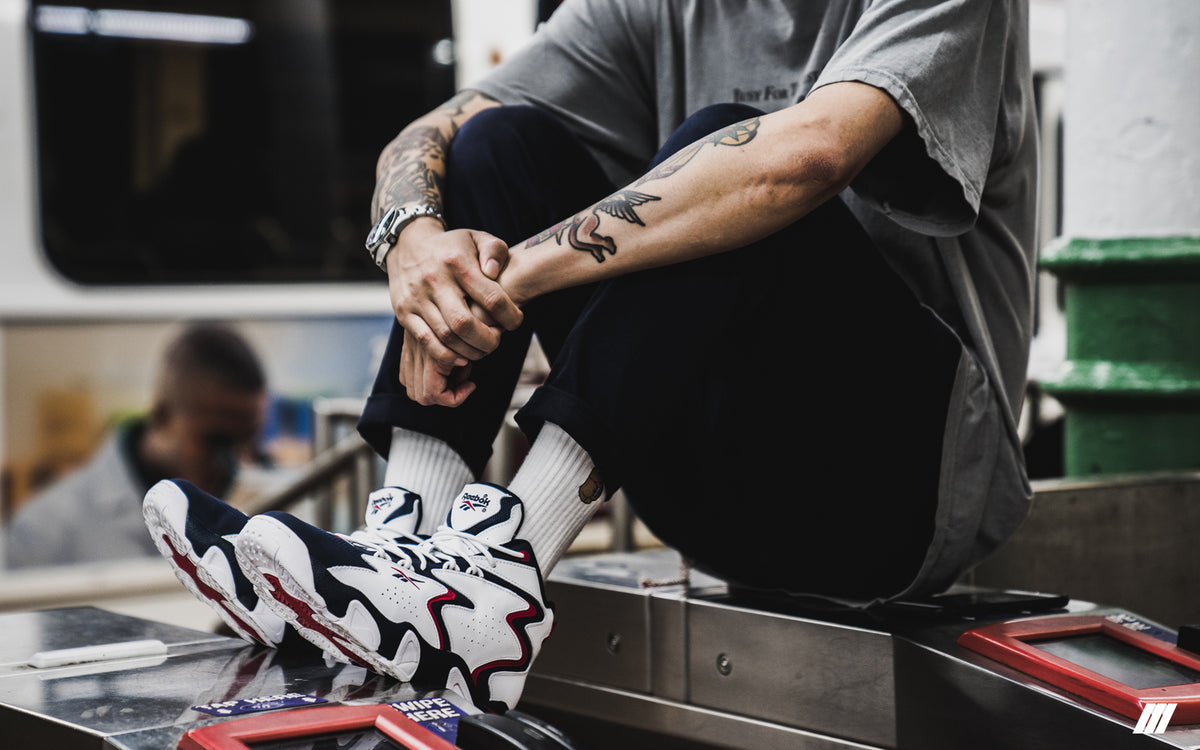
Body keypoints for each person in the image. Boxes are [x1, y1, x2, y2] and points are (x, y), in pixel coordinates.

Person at [147, 0, 1038, 714]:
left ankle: (500, 582)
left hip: (899, 493)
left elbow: (804, 157)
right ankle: (405, 546)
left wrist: (510, 274)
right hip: (711, 487)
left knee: (730, 154)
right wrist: (415, 247)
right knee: (494, 144)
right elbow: (431, 132)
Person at [6, 322, 267, 568]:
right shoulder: (44, 531)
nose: (239, 464)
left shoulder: (257, 515)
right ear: (162, 416)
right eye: (220, 442)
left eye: (250, 442)